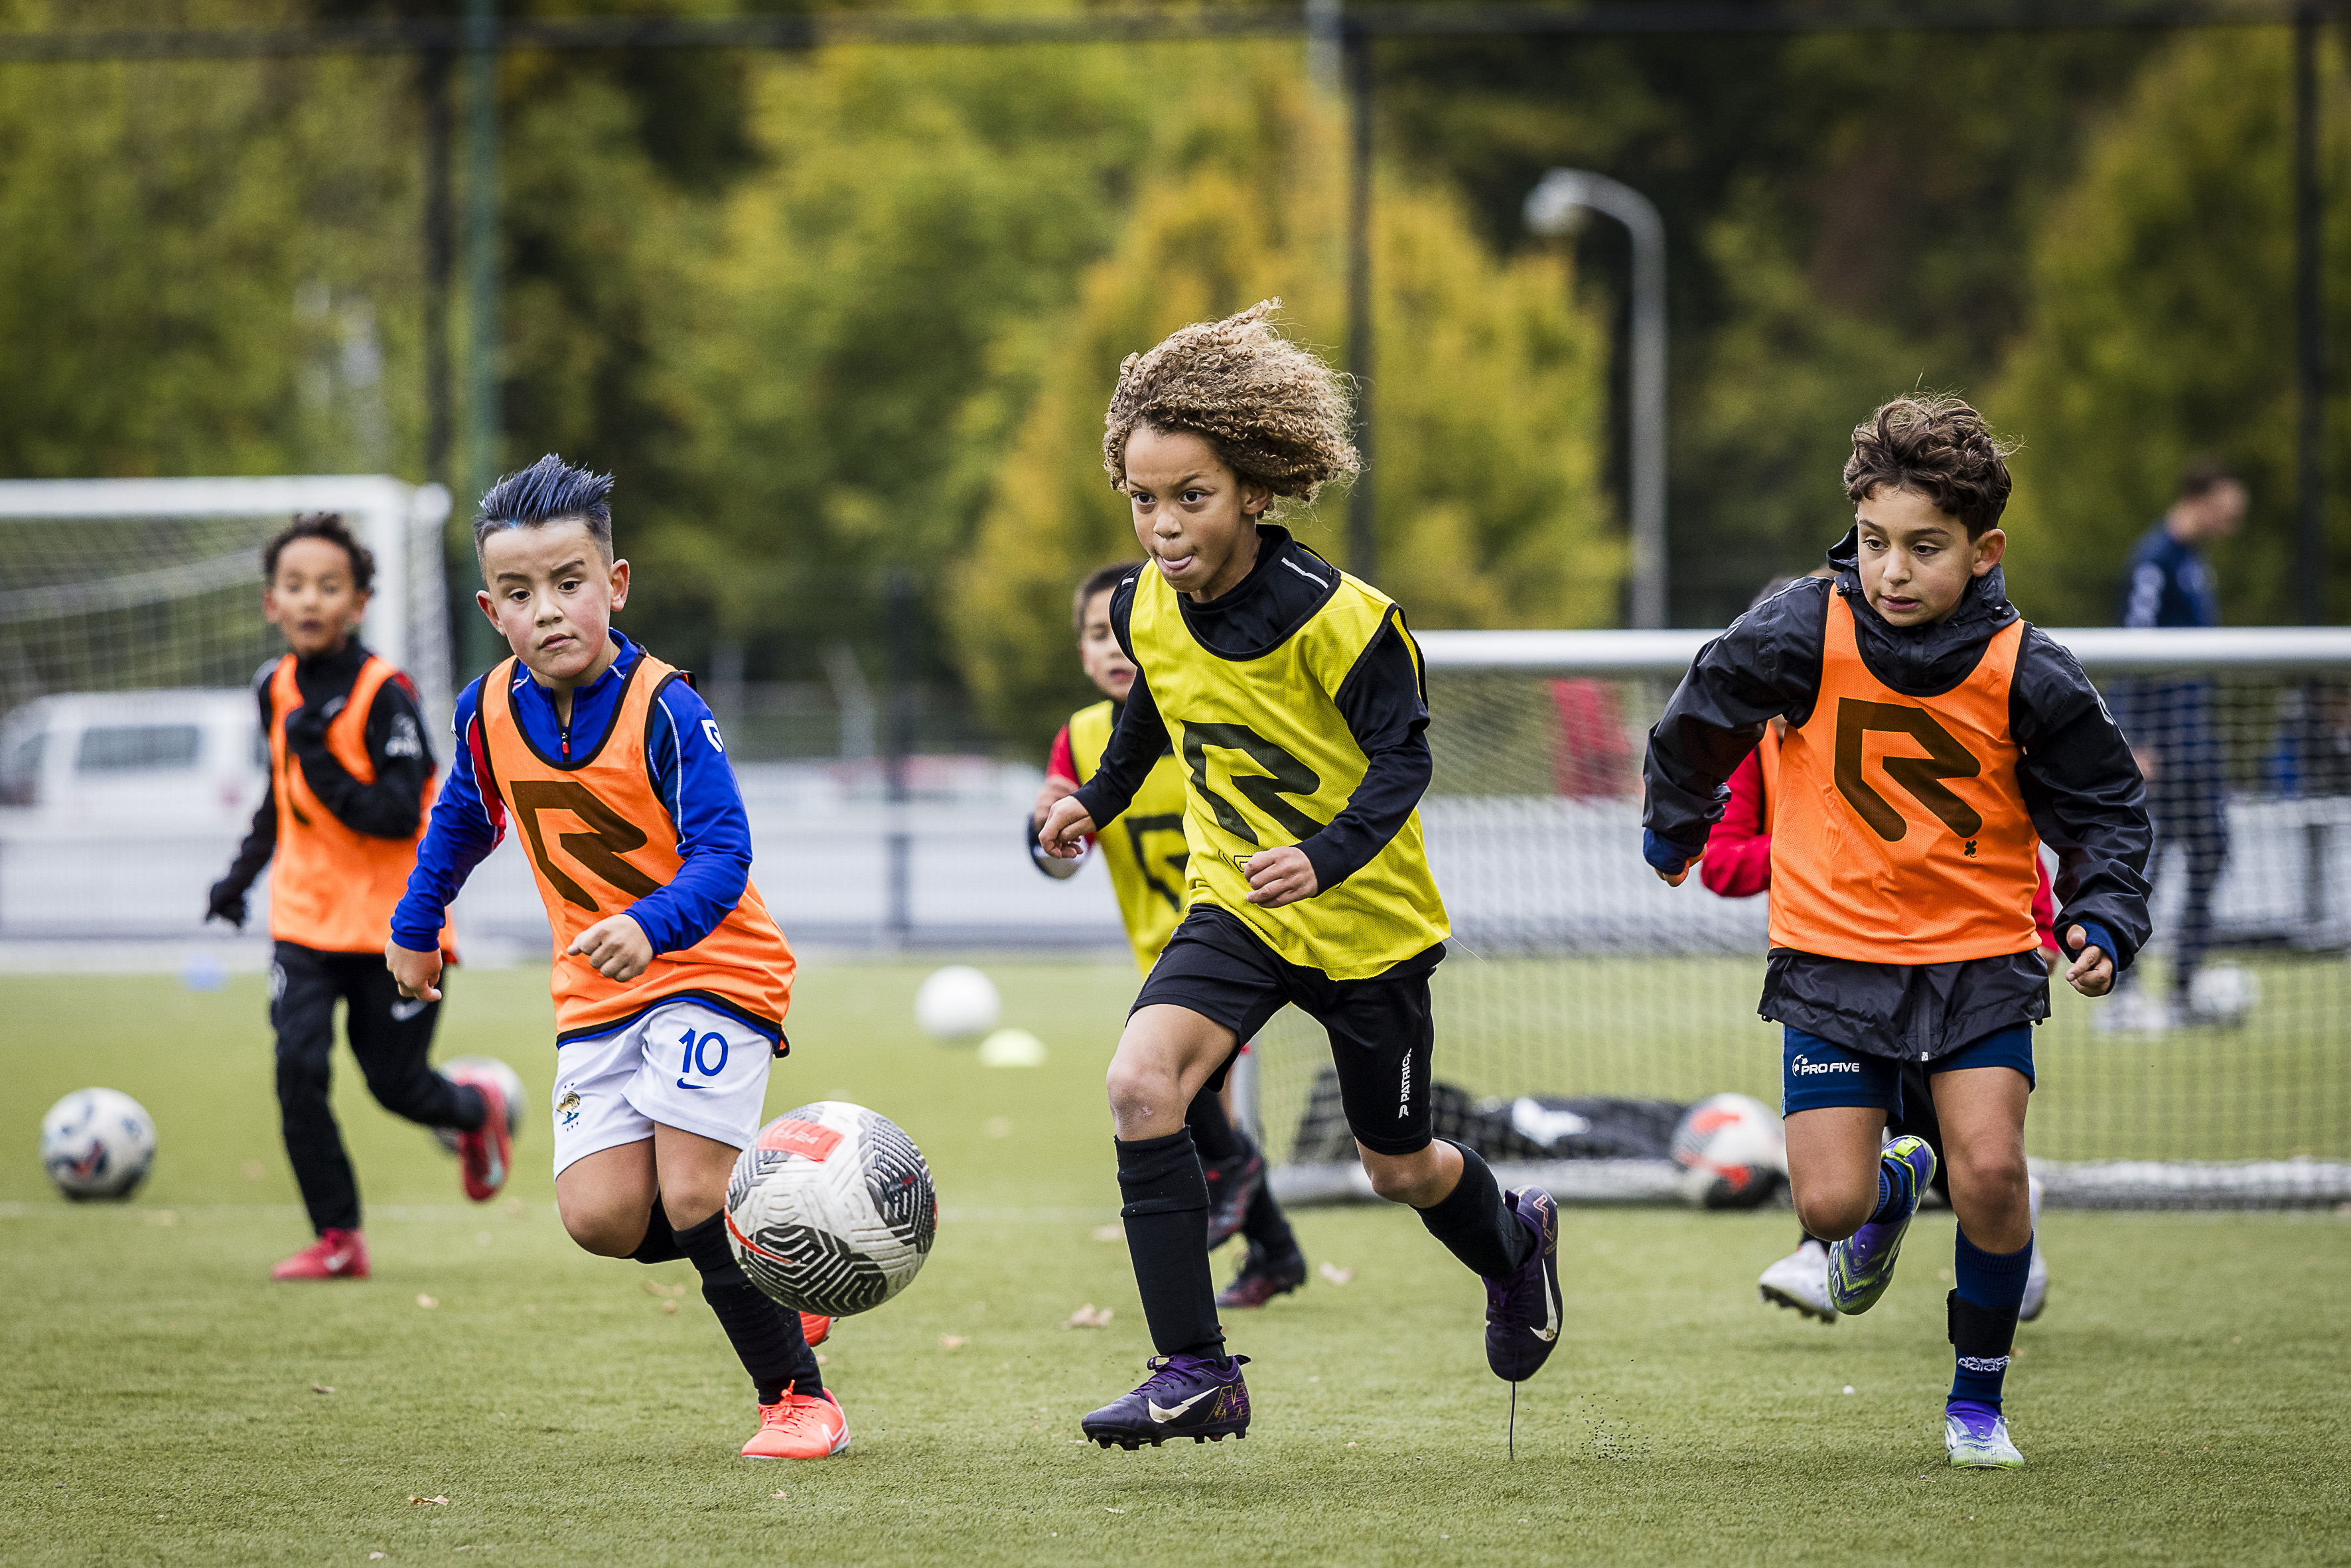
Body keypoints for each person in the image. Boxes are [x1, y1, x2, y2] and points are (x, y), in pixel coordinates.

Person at [1038, 302, 1561, 1450]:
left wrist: (1322, 857)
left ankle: (1515, 1240)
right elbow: (1149, 724)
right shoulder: (1140, 605)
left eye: (1191, 496)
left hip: (1365, 925)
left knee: (1396, 1165)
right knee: (1140, 1086)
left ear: (1256, 489)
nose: (1162, 524)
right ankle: (1194, 1369)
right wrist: (1091, 801)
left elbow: (1406, 757)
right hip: (1233, 905)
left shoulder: (1345, 619)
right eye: (1141, 497)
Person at [1642, 395, 2152, 1469]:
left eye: (1923, 547)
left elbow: (2105, 806)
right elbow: (1699, 712)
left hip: (1976, 959)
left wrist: (2102, 913)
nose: (1891, 570)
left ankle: (1975, 1403)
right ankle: (1888, 1182)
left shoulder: (2027, 667)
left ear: (1982, 549)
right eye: (1874, 542)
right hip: (1831, 960)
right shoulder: (1799, 625)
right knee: (1825, 1205)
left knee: (1992, 1173)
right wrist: (1673, 824)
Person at [384, 455, 841, 1461]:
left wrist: (650, 926)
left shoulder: (666, 707)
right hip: (596, 991)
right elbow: (463, 819)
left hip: (714, 968)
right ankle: (769, 1263)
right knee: (599, 1216)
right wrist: (417, 923)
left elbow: (725, 854)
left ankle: (795, 1399)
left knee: (690, 1192)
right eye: (519, 592)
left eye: (568, 582)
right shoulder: (485, 708)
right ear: (490, 608)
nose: (547, 609)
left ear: (614, 583)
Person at [1707, 568, 2056, 1327]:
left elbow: (1989, 824)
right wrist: (1822, 847)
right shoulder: (1755, 733)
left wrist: (2047, 920)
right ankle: (1823, 1238)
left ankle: (2003, 1220)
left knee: (1963, 1131)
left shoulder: (1922, 696)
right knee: (1852, 1134)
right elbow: (1721, 860)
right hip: (1833, 949)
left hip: (1957, 950)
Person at [205, 513, 504, 1282]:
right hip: (304, 922)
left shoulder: (384, 695)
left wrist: (322, 761)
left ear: (359, 601)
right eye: (295, 585)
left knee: (396, 1085)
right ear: (272, 601)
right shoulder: (273, 686)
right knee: (297, 1066)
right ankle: (338, 1236)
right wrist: (237, 881)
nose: (311, 599)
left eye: (329, 586)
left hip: (392, 927)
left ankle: (475, 1109)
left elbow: (402, 814)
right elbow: (280, 799)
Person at [1029, 563, 1309, 1310]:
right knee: (1186, 1099)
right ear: (1082, 651)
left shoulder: (1203, 706)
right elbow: (1061, 841)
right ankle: (1275, 1248)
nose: (1115, 648)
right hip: (1166, 955)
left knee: (1183, 1098)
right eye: (1097, 635)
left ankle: (1237, 1185)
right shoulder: (1082, 738)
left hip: (1245, 937)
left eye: (1123, 631)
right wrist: (1046, 830)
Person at [2106, 459, 2248, 1030]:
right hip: (2159, 742)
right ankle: (2125, 992)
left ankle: (2184, 987)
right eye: (2227, 506)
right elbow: (2134, 653)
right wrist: (2137, 739)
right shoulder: (2153, 561)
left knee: (2211, 852)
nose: (2233, 518)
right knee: (2146, 864)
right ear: (2200, 498)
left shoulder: (2194, 563)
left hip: (2197, 743)